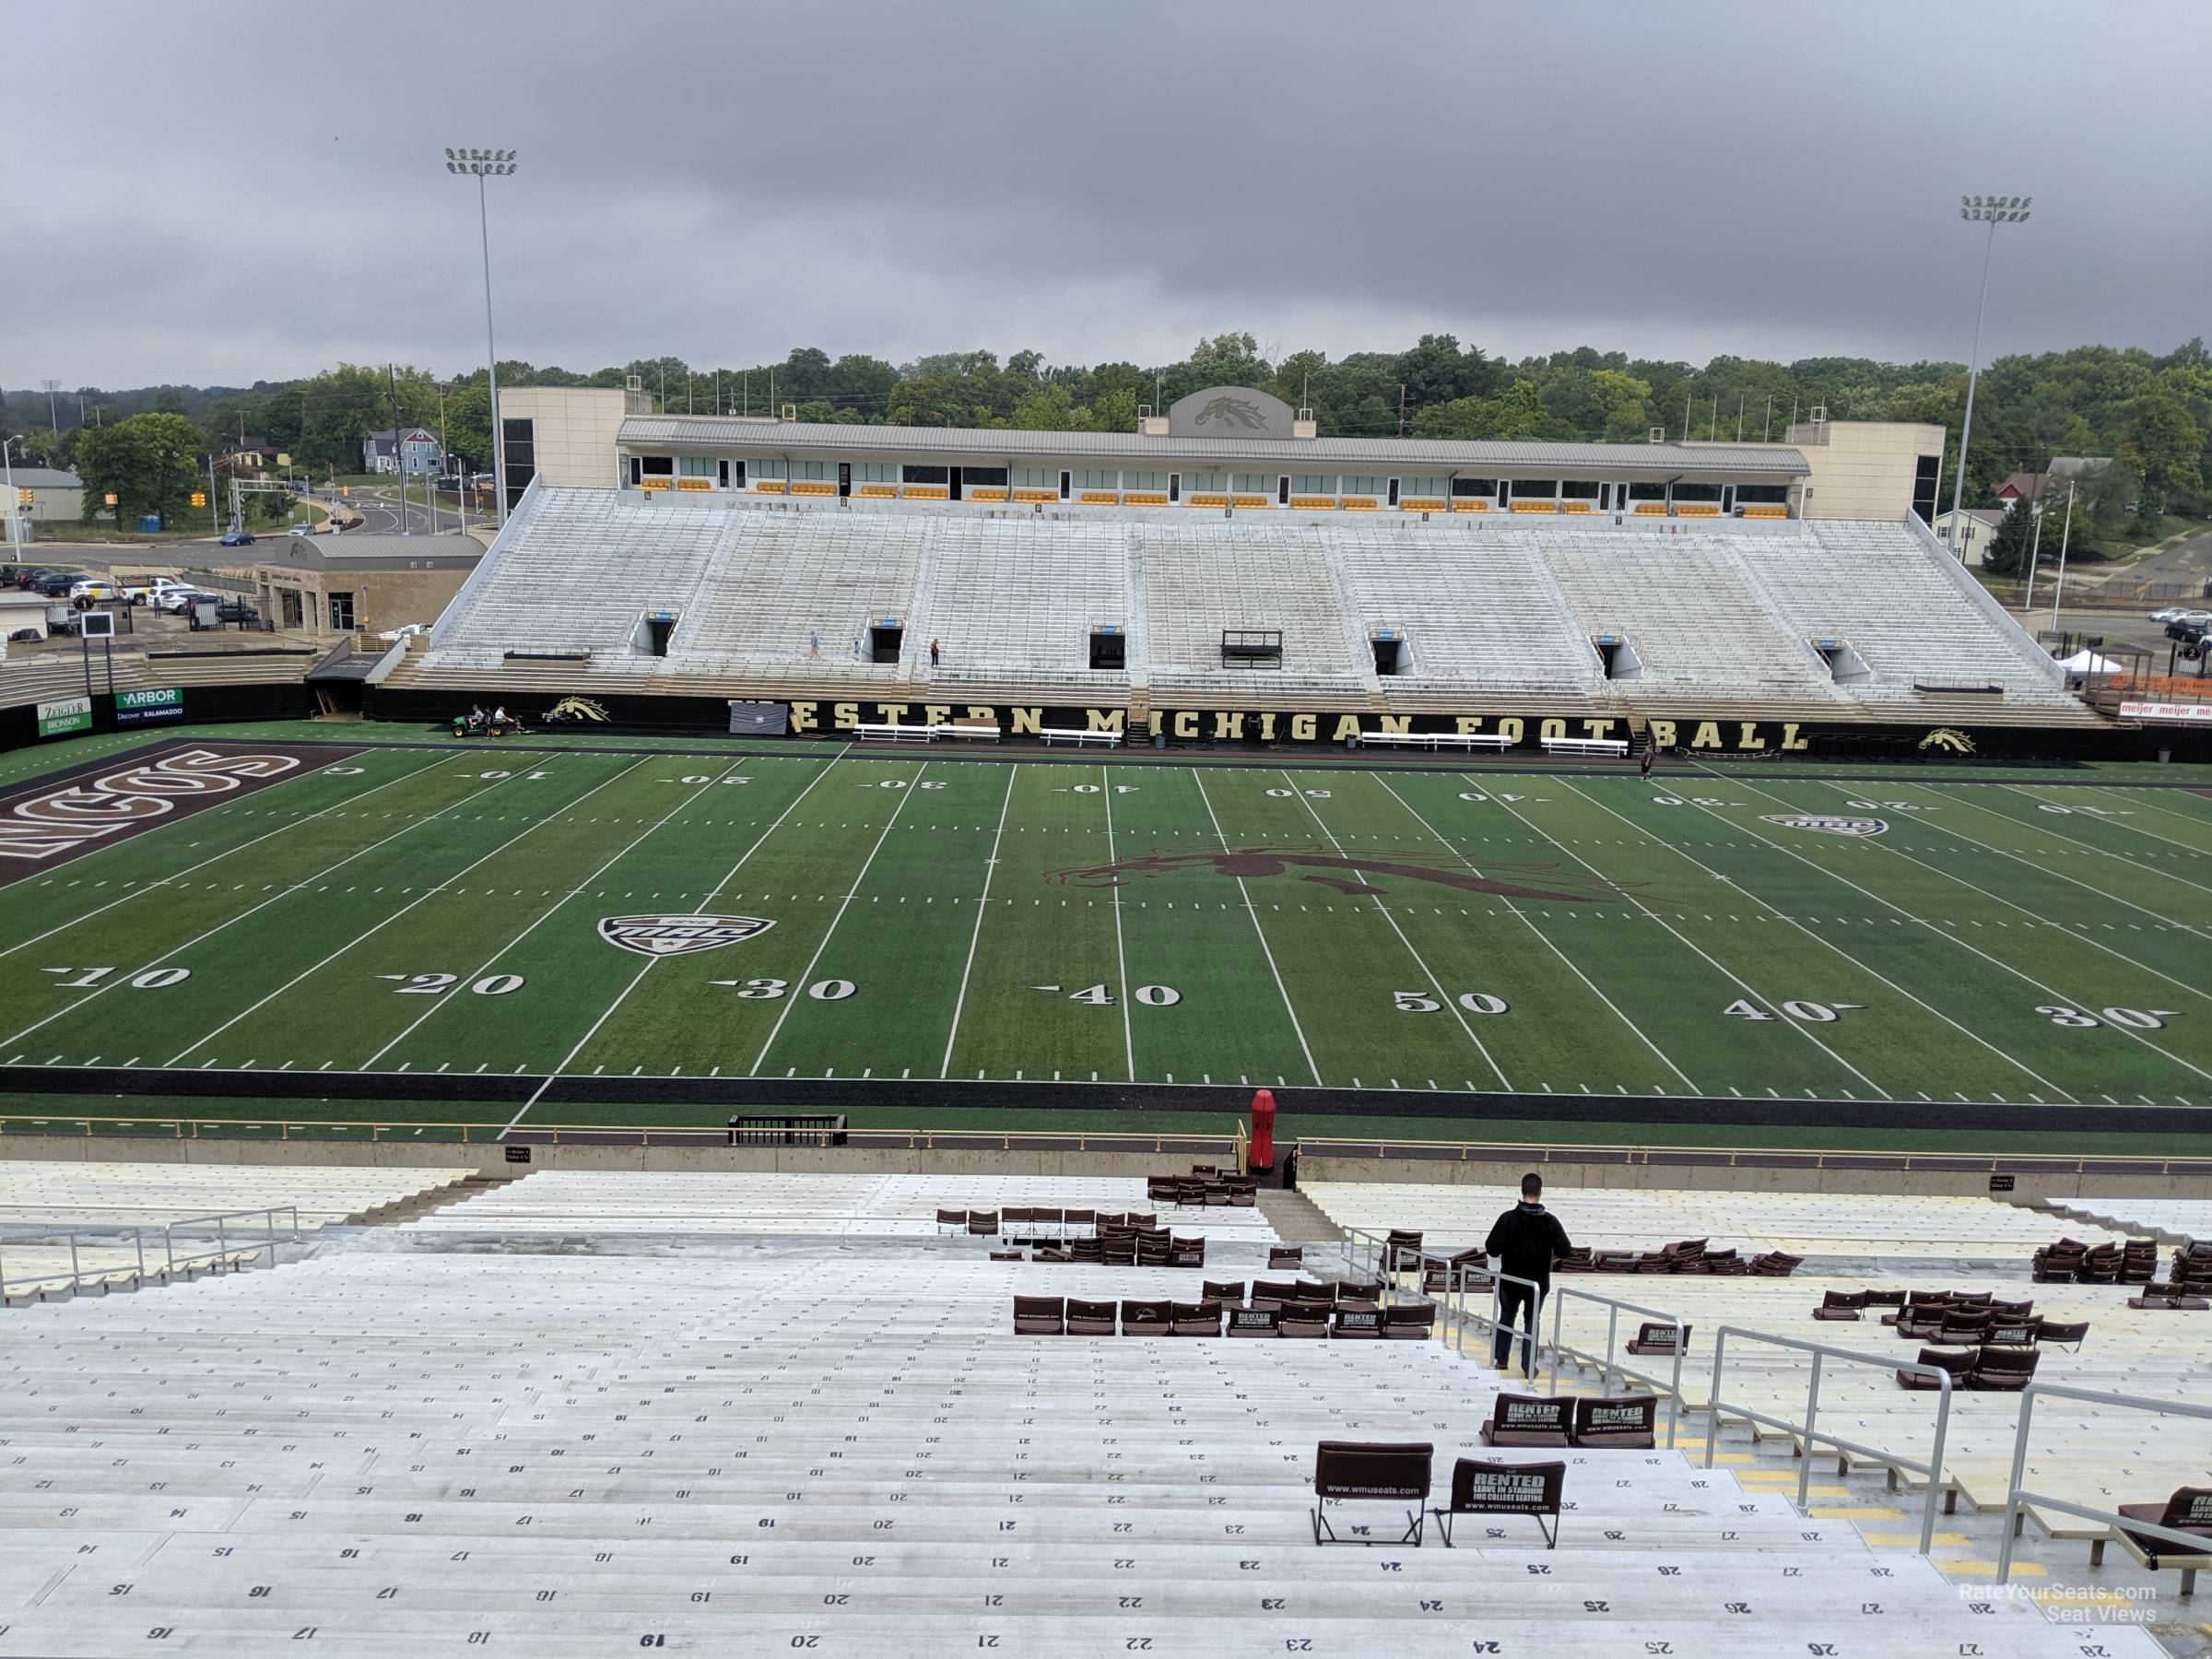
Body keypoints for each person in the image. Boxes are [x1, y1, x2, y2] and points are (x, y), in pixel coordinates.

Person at [1484, 1172, 1572, 1377]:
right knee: (1532, 1322)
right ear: (1540, 1193)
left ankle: (1501, 1359)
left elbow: (1492, 1248)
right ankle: (1528, 1365)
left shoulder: (1508, 1219)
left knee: (1506, 1316)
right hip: (1537, 1283)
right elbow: (1565, 1250)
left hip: (1510, 1281)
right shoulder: (1550, 1222)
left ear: (1522, 1191)